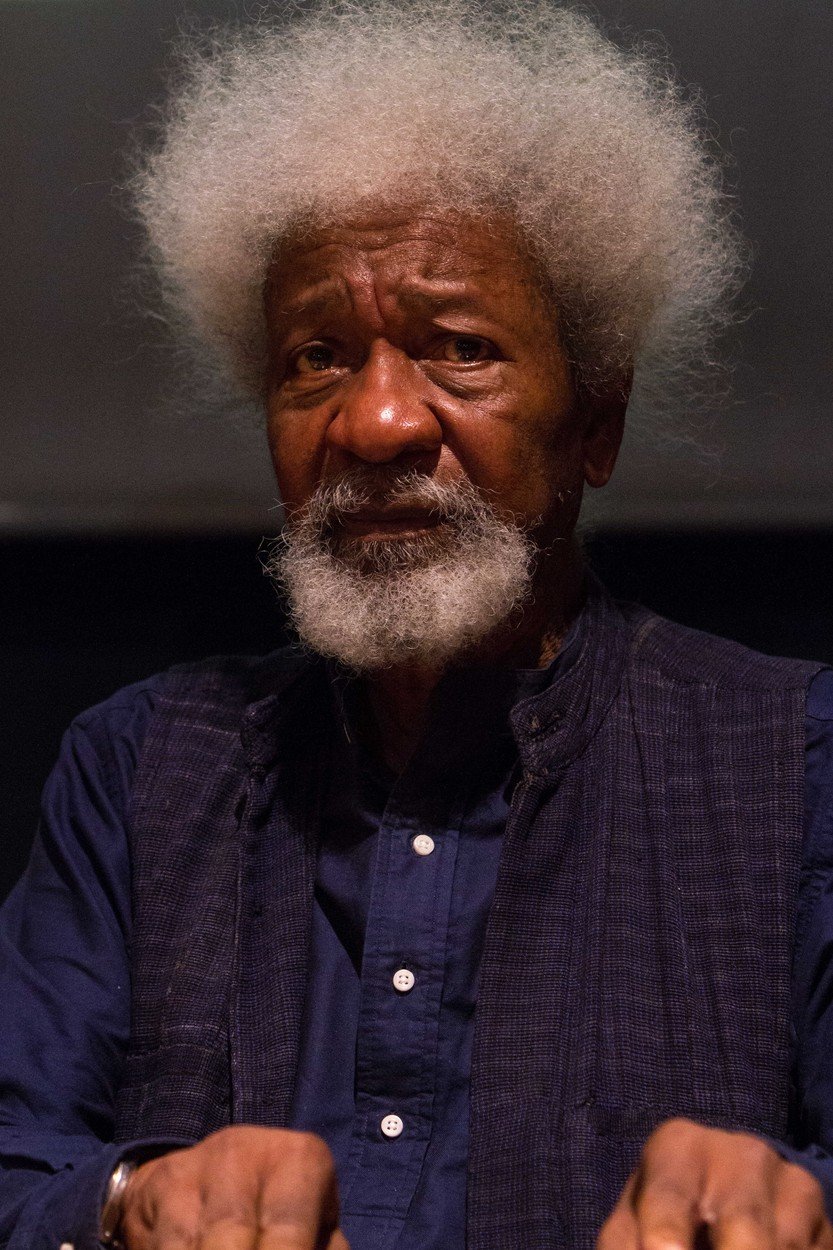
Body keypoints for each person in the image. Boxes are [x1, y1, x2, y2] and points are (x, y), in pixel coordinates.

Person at [3, 2, 833, 1248]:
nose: (374, 422)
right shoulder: (133, 767)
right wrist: (127, 1200)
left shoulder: (798, 760)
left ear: (594, 420)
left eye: (458, 347)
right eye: (316, 357)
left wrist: (801, 1204)